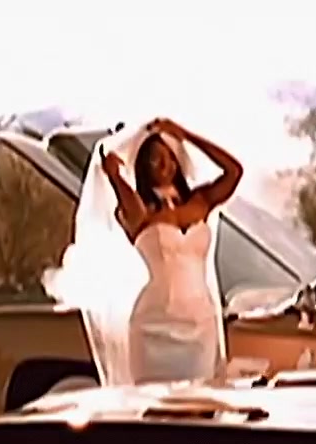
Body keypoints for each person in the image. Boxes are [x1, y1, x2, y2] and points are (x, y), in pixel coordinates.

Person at [44, 117, 245, 386]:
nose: (164, 164)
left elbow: (234, 171)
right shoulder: (139, 211)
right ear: (143, 165)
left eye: (170, 157)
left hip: (201, 323)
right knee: (155, 403)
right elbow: (125, 195)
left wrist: (186, 135)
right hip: (154, 325)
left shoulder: (200, 201)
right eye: (155, 158)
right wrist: (114, 174)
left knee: (199, 399)